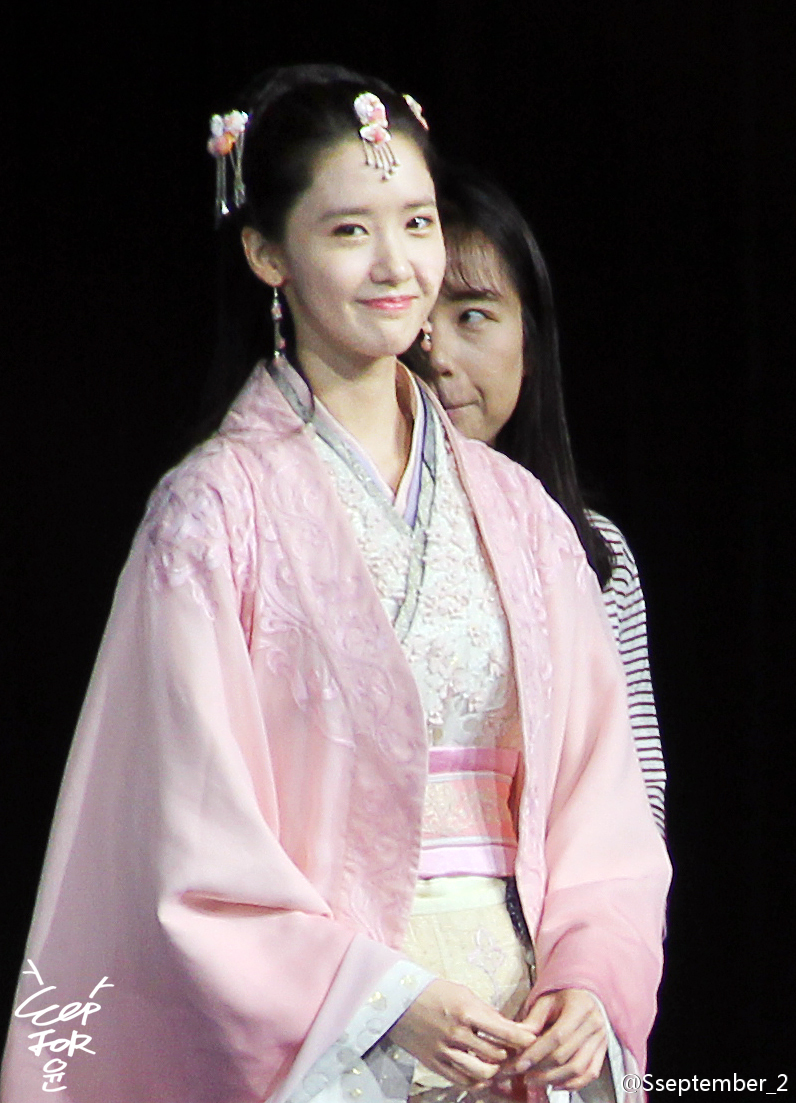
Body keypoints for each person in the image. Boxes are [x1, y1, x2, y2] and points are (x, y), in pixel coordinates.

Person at [2, 66, 669, 1103]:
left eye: (418, 222)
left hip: (517, 1032)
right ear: (268, 252)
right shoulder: (213, 514)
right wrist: (385, 997)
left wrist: (587, 976)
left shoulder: (522, 514)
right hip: (338, 1036)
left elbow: (604, 804)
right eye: (350, 231)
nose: (397, 264)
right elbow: (189, 839)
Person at [415, 166, 666, 835]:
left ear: (529, 341)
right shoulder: (323, 527)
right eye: (415, 318)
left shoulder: (593, 550)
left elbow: (635, 793)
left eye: (472, 315)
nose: (437, 355)